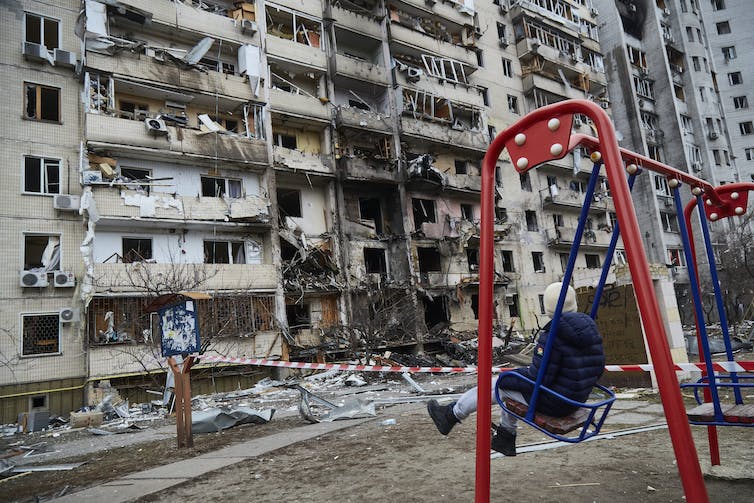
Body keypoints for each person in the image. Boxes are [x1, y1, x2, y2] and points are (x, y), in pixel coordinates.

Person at [427, 282, 605, 456]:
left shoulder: (552, 336)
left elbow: (538, 378)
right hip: (576, 398)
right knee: (511, 388)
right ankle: (505, 436)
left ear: (547, 307)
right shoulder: (590, 329)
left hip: (556, 403)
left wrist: (511, 376)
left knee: (498, 385)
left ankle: (451, 415)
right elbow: (597, 367)